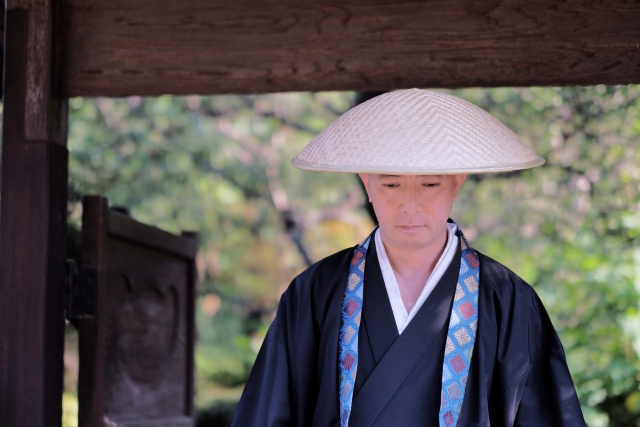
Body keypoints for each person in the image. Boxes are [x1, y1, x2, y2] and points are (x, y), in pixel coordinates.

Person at [231, 89, 586, 427]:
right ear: (366, 182)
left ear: (457, 181)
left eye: (430, 185)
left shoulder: (507, 298)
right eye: (391, 184)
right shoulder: (316, 291)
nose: (410, 206)